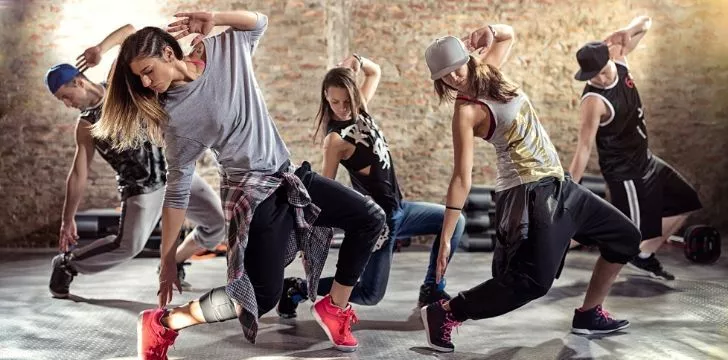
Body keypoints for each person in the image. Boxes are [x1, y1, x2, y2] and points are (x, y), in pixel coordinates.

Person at [92, 10, 386, 358]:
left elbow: (259, 21)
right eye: (139, 77)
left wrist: (213, 17)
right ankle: (164, 323)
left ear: (168, 54)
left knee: (370, 217)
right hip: (253, 195)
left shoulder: (224, 49)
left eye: (147, 71)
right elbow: (178, 189)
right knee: (260, 297)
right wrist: (168, 257)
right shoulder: (174, 116)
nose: (145, 83)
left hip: (287, 175)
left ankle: (334, 308)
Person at [420, 23, 642, 352]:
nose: (453, 78)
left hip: (558, 183)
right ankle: (446, 313)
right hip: (526, 193)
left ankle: (589, 313)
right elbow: (460, 178)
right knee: (532, 283)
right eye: (445, 76)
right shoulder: (465, 111)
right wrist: (447, 238)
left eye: (456, 68)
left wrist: (489, 29)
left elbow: (508, 35)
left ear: (467, 59)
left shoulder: (490, 72)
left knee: (626, 238)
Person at [276, 54, 466, 318]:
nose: (342, 108)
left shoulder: (361, 108)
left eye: (347, 101)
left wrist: (356, 60)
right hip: (380, 224)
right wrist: (310, 241)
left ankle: (432, 288)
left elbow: (375, 72)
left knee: (455, 221)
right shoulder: (334, 140)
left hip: (401, 209)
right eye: (334, 102)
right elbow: (324, 192)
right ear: (326, 99)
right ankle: (296, 288)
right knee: (370, 294)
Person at [46, 24, 225, 299]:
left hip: (174, 172)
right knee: (128, 246)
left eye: (66, 97)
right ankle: (69, 264)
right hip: (140, 189)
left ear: (79, 82)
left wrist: (99, 49)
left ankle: (174, 260)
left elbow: (130, 32)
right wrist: (67, 219)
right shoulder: (86, 124)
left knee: (216, 224)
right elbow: (79, 172)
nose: (68, 104)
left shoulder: (121, 87)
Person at [569, 15, 703, 280]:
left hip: (646, 161)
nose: (600, 79)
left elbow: (647, 22)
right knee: (625, 235)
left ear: (610, 57)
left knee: (687, 201)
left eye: (602, 71)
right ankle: (547, 246)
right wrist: (569, 189)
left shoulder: (619, 57)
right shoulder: (593, 102)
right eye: (593, 77)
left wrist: (627, 30)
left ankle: (642, 256)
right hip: (625, 174)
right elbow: (583, 149)